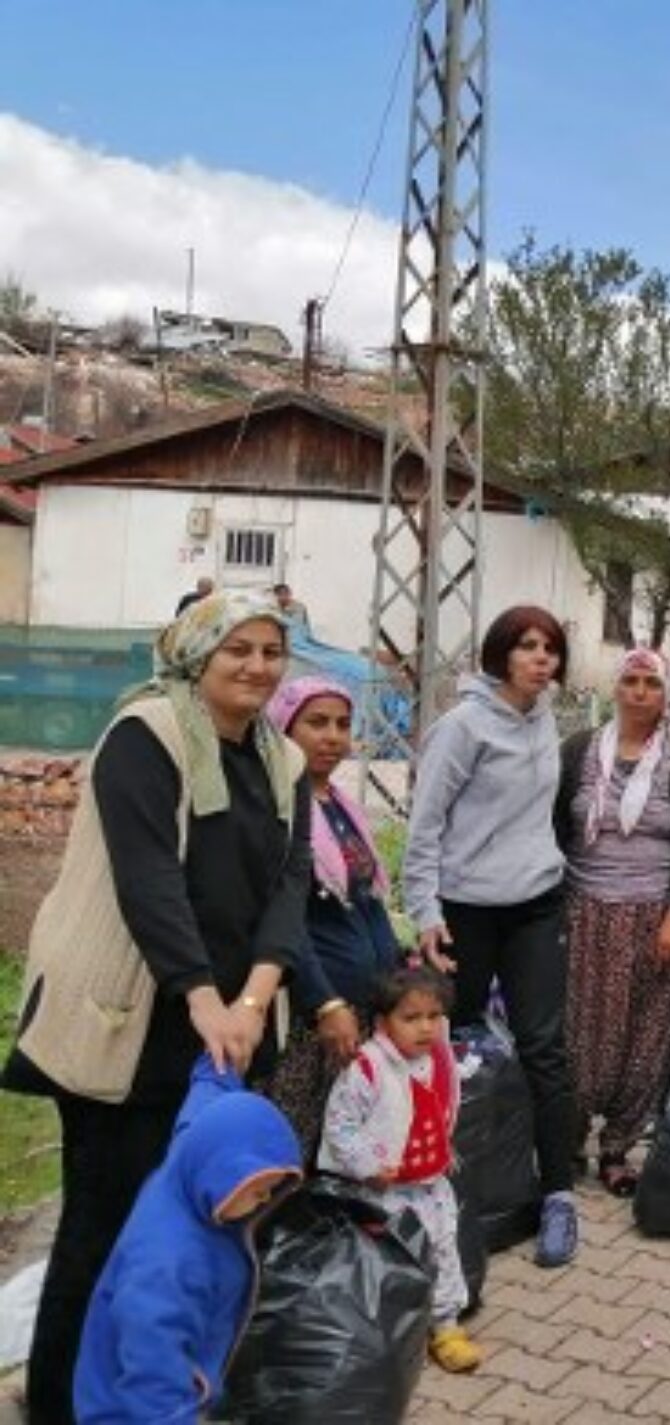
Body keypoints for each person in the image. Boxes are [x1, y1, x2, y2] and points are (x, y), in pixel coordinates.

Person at [4, 590, 310, 1425]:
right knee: (103, 1231)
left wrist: (254, 997)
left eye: (271, 651)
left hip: (230, 1029)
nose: (255, 666)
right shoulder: (147, 734)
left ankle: (158, 1395)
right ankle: (60, 1402)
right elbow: (151, 883)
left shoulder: (281, 757)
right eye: (236, 649)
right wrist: (205, 999)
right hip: (129, 1024)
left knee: (196, 1235)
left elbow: (289, 884)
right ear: (196, 654)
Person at [407, 604, 579, 1269]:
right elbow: (424, 828)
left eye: (551, 648)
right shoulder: (463, 726)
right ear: (500, 653)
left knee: (545, 1048)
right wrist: (425, 911)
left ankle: (558, 1195)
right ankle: (451, 1186)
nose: (542, 658)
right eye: (528, 646)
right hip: (466, 909)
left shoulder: (545, 723)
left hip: (536, 905)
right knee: (457, 1046)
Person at [554, 646, 670, 1197]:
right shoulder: (577, 751)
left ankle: (618, 1148)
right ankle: (566, 1143)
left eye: (652, 683)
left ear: (666, 695)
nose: (641, 692)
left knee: (645, 1035)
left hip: (653, 918)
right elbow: (554, 832)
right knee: (577, 1033)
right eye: (632, 681)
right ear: (615, 689)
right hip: (584, 910)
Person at [72, 1057, 302, 1425]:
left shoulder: (192, 1149)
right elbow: (152, 1368)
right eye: (254, 1188)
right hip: (136, 1411)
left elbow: (208, 1092)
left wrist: (222, 1059)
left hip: (178, 1384)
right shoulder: (169, 1262)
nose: (262, 1200)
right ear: (219, 1173)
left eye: (270, 1189)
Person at [262, 675, 402, 1157]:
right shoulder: (276, 808)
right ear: (283, 727)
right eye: (316, 723)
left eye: (343, 725)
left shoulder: (342, 806)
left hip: (361, 1006)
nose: (332, 737)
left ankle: (324, 1231)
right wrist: (323, 1002)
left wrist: (399, 983)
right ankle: (273, 1229)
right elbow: (286, 922)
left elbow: (368, 903)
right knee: (292, 1134)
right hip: (311, 1013)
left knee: (344, 1138)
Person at [320, 965, 483, 1373]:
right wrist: (367, 1165)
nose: (425, 1028)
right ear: (382, 1022)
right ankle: (396, 1327)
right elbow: (339, 1126)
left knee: (444, 1247)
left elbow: (447, 1091)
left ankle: (445, 1325)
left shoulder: (439, 1055)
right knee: (393, 1256)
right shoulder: (367, 1068)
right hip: (384, 1188)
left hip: (430, 1182)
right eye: (410, 1018)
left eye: (433, 1016)